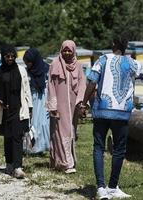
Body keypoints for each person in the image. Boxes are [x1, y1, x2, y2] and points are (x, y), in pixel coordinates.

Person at [81, 35, 143, 199]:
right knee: (119, 149)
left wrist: (83, 103)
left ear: (113, 44)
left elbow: (91, 82)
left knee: (98, 147)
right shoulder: (133, 63)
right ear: (126, 47)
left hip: (102, 111)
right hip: (121, 113)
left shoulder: (102, 59)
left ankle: (100, 188)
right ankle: (112, 187)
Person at [46, 40, 86, 174]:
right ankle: (66, 163)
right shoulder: (55, 65)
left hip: (73, 105)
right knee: (60, 131)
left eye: (70, 50)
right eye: (65, 50)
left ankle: (64, 160)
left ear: (74, 51)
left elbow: (82, 84)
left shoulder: (78, 66)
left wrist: (80, 102)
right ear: (61, 51)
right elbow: (50, 86)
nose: (67, 53)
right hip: (59, 105)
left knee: (71, 131)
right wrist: (53, 105)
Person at [0, 44, 32, 179]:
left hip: (18, 108)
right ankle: (9, 163)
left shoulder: (21, 70)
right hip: (4, 110)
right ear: (3, 57)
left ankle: (17, 166)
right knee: (7, 137)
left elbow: (26, 90)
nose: (10, 58)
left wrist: (30, 108)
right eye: (7, 56)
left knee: (17, 137)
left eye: (12, 56)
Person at [23, 48, 50, 154]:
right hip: (32, 99)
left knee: (43, 123)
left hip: (44, 99)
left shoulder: (47, 70)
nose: (28, 65)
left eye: (29, 62)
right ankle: (31, 146)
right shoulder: (27, 72)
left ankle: (43, 145)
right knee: (32, 122)